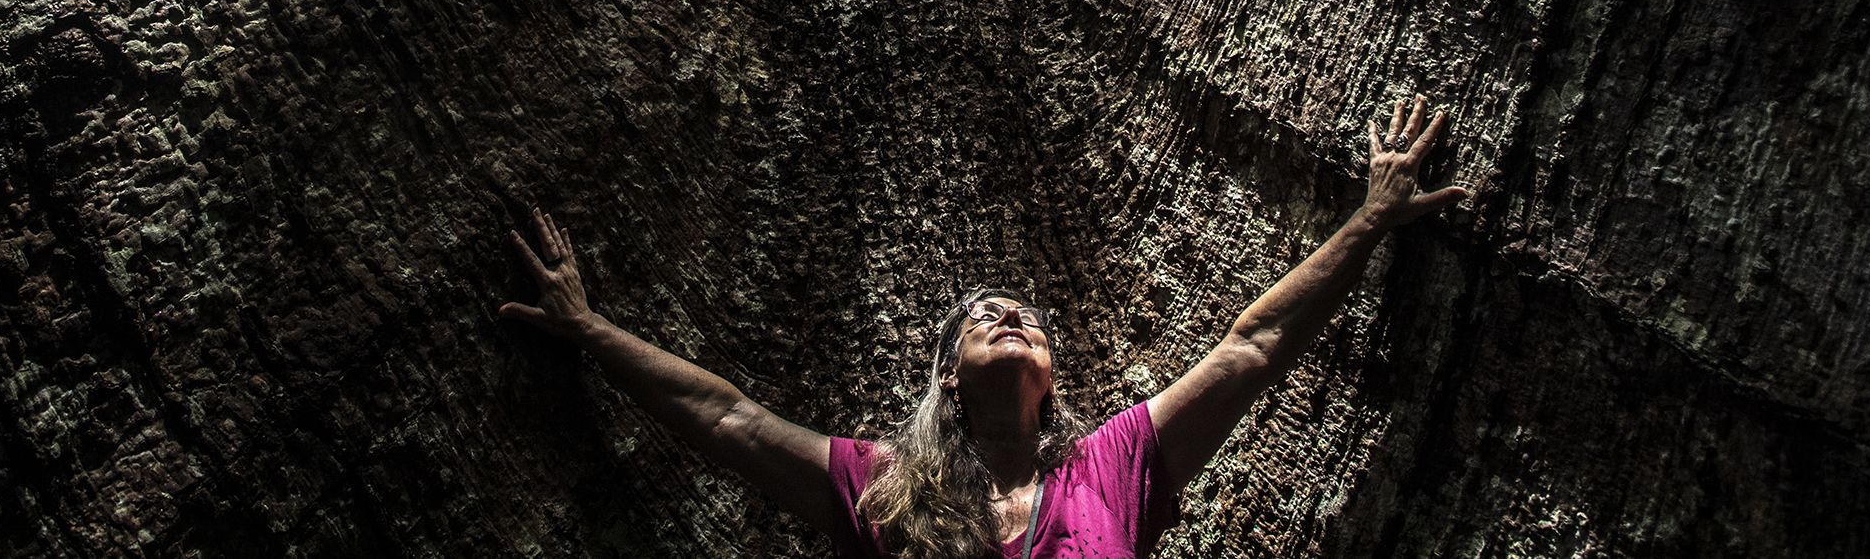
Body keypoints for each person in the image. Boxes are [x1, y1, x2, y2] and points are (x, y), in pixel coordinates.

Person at [500, 94, 1470, 557]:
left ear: (1049, 375)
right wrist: (587, 330)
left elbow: (1251, 348)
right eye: (981, 318)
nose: (1009, 316)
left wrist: (1369, 218)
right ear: (948, 380)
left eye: (1027, 319)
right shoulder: (877, 489)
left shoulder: (1115, 465)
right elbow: (728, 422)